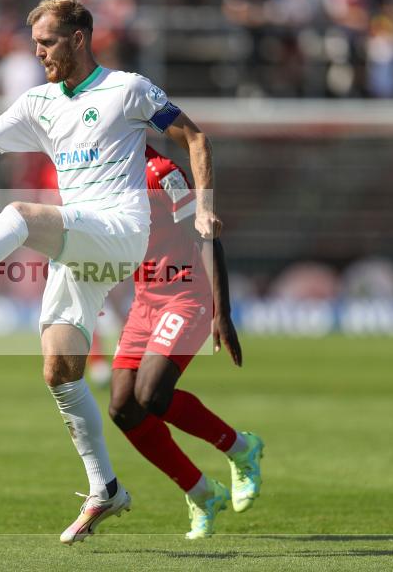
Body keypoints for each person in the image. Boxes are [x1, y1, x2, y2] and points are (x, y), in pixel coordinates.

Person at [0, 0, 221, 544]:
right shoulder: (39, 103)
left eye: (48, 42)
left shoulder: (127, 89)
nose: (39, 52)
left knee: (21, 214)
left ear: (79, 39)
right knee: (58, 369)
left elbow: (193, 136)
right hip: (80, 243)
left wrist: (207, 203)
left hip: (121, 231)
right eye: (35, 44)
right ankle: (105, 488)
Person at [110, 146, 263, 539]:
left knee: (151, 395)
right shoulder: (99, 174)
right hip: (144, 300)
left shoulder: (161, 173)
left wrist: (221, 313)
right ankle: (201, 492)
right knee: (122, 408)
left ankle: (240, 447)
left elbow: (206, 233)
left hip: (185, 294)